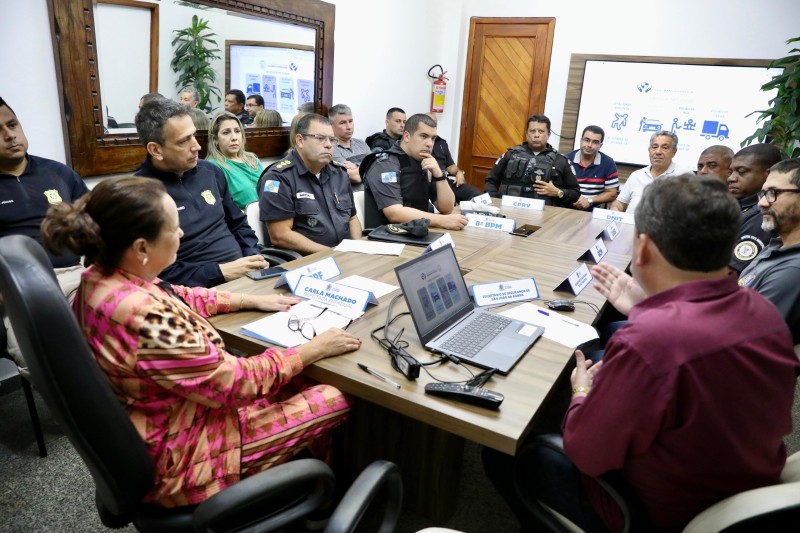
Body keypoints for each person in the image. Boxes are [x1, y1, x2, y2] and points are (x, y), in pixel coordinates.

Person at [487, 174, 798, 532]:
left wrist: (581, 392)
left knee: (501, 453)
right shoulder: (764, 312)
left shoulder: (650, 342)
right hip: (741, 488)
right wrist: (647, 308)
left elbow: (585, 452)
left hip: (651, 514)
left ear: (644, 248)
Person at [40, 176, 360, 507]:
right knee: (338, 393)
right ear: (141, 248)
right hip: (193, 452)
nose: (180, 234)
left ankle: (308, 487)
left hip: (175, 413)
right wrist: (314, 347)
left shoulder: (103, 276)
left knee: (305, 376)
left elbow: (176, 293)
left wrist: (245, 300)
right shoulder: (143, 316)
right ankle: (320, 500)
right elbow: (237, 383)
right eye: (173, 228)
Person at [134, 97, 267, 287]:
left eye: (194, 135)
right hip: (197, 292)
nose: (196, 146)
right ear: (156, 150)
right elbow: (156, 272)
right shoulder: (139, 194)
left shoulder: (210, 172)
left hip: (245, 275)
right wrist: (221, 272)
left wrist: (253, 256)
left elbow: (238, 224)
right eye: (183, 141)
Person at [0, 96, 89, 378]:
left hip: (75, 275)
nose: (9, 135)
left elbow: (96, 223)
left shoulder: (58, 173)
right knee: (45, 366)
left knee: (118, 327)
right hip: (18, 292)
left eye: (12, 124)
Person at [259, 113, 362, 254]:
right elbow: (280, 235)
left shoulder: (339, 173)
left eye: (332, 140)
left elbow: (352, 218)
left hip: (346, 256)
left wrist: (358, 250)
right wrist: (332, 254)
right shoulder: (278, 178)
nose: (328, 145)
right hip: (309, 261)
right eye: (320, 138)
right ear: (300, 140)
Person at [361, 113, 468, 230]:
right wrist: (441, 220)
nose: (430, 144)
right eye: (423, 136)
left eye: (433, 138)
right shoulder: (385, 164)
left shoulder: (424, 162)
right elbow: (394, 213)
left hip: (418, 231)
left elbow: (446, 208)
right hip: (388, 237)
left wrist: (439, 175)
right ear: (406, 136)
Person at [739, 157, 800, 343]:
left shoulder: (794, 269)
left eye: (774, 193)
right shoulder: (776, 246)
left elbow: (745, 338)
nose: (762, 203)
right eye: (763, 194)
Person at [484, 114, 580, 207]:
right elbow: (491, 181)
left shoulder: (561, 161)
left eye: (541, 131)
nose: (536, 135)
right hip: (509, 209)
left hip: (544, 216)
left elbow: (575, 193)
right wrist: (495, 201)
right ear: (527, 134)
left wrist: (558, 192)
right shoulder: (510, 155)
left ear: (548, 135)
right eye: (532, 131)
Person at [727, 143, 782, 273]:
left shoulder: (764, 213)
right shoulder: (737, 205)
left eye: (741, 171)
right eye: (730, 172)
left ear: (769, 174)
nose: (731, 178)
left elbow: (732, 272)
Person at [610, 130, 691, 213]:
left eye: (665, 148)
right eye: (654, 147)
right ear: (649, 150)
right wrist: (615, 208)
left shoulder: (684, 176)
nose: (658, 152)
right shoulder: (636, 175)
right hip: (630, 225)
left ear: (674, 152)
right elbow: (620, 202)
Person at [206, 112, 263, 209]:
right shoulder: (213, 167)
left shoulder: (253, 159)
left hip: (269, 215)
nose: (234, 138)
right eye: (226, 132)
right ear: (215, 139)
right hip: (242, 221)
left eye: (237, 131)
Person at [426, 112, 482, 202]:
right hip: (429, 182)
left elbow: (450, 166)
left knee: (476, 195)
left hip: (444, 180)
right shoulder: (420, 142)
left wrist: (459, 172)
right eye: (429, 122)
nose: (433, 125)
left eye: (435, 122)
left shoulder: (441, 143)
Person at [565, 125, 619, 210]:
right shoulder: (565, 159)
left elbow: (611, 194)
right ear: (581, 140)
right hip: (565, 208)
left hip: (592, 211)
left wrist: (589, 200)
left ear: (600, 145)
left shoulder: (608, 163)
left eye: (595, 142)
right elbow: (557, 187)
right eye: (587, 140)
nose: (589, 145)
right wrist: (571, 198)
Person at [329, 104, 371, 191]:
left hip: (372, 195)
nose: (349, 127)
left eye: (350, 121)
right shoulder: (331, 148)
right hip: (352, 199)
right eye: (342, 123)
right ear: (331, 126)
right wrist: (367, 167)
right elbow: (356, 177)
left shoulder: (361, 143)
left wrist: (356, 166)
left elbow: (378, 168)